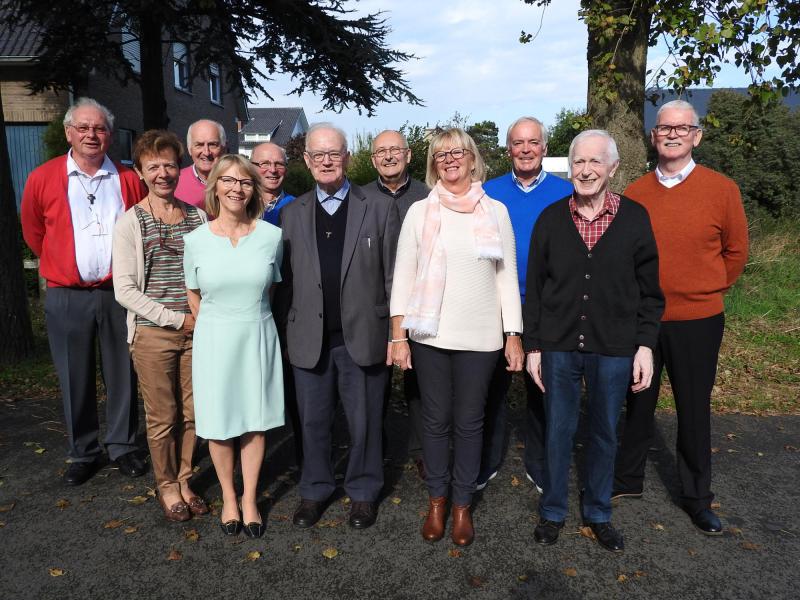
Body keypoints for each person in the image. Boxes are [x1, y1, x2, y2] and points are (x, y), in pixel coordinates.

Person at [523, 130, 664, 553]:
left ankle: (599, 512)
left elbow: (650, 292)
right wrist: (534, 346)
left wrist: (644, 345)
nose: (585, 170)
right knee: (558, 431)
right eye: (579, 162)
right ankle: (552, 511)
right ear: (570, 168)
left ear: (613, 168)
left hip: (614, 345)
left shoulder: (635, 218)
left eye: (595, 162)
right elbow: (536, 289)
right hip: (558, 345)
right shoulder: (551, 219)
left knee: (604, 432)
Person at [614, 100, 749, 535]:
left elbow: (736, 251)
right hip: (644, 320)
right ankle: (627, 478)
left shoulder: (721, 189)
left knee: (693, 407)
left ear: (696, 136)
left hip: (698, 318)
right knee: (638, 399)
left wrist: (707, 287)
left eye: (682, 128)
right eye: (664, 128)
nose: (672, 134)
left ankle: (696, 496)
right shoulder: (635, 193)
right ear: (654, 136)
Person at [390, 128, 523, 546]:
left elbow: (506, 278)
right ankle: (437, 501)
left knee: (469, 422)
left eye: (457, 152)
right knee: (434, 422)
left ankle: (462, 504)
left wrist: (513, 333)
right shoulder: (420, 212)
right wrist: (398, 336)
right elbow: (404, 276)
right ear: (433, 163)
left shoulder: (496, 211)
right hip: (429, 336)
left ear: (472, 159)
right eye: (441, 154)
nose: (449, 159)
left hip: (481, 338)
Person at [278, 123, 399, 531]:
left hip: (363, 336)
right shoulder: (292, 213)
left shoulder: (377, 207)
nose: (326, 161)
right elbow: (285, 281)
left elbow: (393, 277)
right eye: (318, 155)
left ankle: (363, 491)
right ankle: (315, 489)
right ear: (307, 161)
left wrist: (395, 335)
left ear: (347, 157)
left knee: (364, 421)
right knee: (312, 422)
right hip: (309, 337)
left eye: (334, 153)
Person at [20, 97, 146, 486]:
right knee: (73, 374)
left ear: (110, 135)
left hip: (117, 292)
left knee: (122, 373)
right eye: (83, 127)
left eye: (100, 128)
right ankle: (83, 451)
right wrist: (63, 263)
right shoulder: (43, 178)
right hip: (66, 295)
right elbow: (34, 232)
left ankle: (122, 446)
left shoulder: (127, 179)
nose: (92, 134)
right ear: (68, 133)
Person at [184, 155, 285, 538]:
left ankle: (250, 499)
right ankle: (228, 496)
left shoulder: (271, 237)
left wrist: (250, 320)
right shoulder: (195, 241)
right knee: (219, 423)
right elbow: (194, 297)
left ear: (253, 189)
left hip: (257, 335)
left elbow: (271, 290)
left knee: (255, 422)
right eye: (227, 180)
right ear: (215, 187)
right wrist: (217, 327)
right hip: (214, 341)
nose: (236, 188)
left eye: (244, 181)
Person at [112, 130, 208, 522]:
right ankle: (166, 484)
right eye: (153, 167)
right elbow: (124, 290)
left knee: (194, 412)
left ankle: (185, 479)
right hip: (153, 334)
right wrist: (176, 319)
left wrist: (200, 317)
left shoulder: (197, 217)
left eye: (169, 165)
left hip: (196, 332)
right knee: (163, 415)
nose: (163, 173)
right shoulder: (129, 223)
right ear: (140, 172)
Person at [478, 116, 574, 493]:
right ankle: (486, 461)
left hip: (547, 307)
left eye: (533, 142)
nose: (526, 149)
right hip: (497, 304)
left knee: (542, 388)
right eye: (518, 143)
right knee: (491, 390)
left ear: (544, 148)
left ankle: (540, 462)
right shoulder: (488, 192)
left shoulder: (566, 192)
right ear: (508, 150)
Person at [365, 129, 429, 478]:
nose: (388, 156)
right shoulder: (359, 198)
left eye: (395, 150)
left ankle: (421, 450)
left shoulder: (428, 197)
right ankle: (376, 450)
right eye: (381, 152)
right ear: (373, 159)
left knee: (419, 384)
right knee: (374, 385)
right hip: (373, 308)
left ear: (408, 155)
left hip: (419, 306)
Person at [175, 119, 227, 208]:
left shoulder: (237, 181)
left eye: (212, 144)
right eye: (199, 145)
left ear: (224, 148)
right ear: (189, 149)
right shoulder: (175, 181)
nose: (206, 152)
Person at [250, 142, 296, 226]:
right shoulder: (241, 206)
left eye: (279, 164)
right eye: (265, 164)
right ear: (251, 167)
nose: (273, 170)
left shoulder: (298, 208)